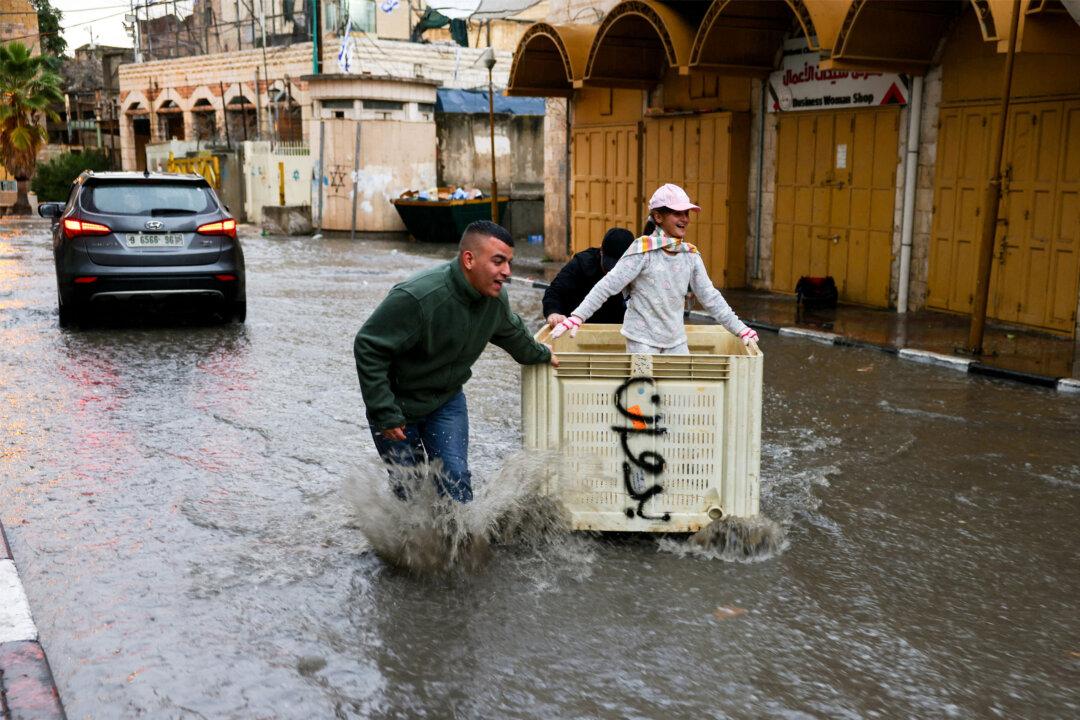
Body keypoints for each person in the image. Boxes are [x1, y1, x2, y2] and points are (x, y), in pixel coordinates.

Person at [354, 220, 558, 503]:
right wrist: (383, 411)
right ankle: (410, 545)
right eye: (498, 261)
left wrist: (546, 354)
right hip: (397, 405)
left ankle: (459, 545)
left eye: (509, 263)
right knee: (408, 490)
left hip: (445, 402)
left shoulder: (495, 300)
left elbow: (513, 336)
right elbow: (368, 346)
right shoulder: (418, 297)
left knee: (456, 480)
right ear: (469, 259)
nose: (507, 272)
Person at [550, 183, 759, 354]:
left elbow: (710, 297)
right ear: (659, 217)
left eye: (686, 213)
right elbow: (607, 286)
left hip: (676, 342)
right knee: (643, 399)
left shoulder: (690, 255)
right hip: (641, 342)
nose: (685, 219)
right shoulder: (643, 250)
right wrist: (577, 317)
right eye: (677, 213)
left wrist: (741, 329)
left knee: (679, 400)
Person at [543, 227, 635, 328]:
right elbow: (554, 291)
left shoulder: (639, 269)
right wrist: (553, 313)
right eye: (609, 268)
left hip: (617, 330)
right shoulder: (582, 264)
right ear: (601, 251)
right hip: (579, 329)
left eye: (618, 269)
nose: (612, 274)